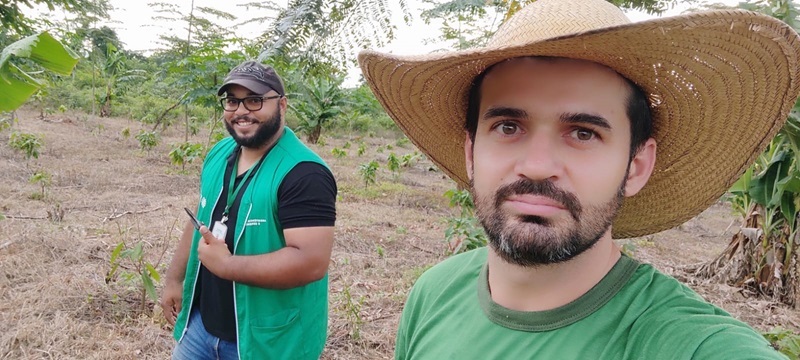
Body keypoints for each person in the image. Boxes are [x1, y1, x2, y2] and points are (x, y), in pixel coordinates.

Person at [358, 0, 800, 358]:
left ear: (636, 167)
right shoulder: (433, 294)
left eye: (583, 133)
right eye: (508, 126)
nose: (536, 165)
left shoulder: (689, 344)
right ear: (472, 153)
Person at [160, 60, 337, 360]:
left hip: (269, 343)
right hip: (200, 330)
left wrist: (226, 266)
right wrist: (174, 279)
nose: (241, 110)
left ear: (281, 105)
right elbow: (200, 219)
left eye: (255, 100)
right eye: (232, 101)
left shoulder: (304, 173)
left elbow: (311, 262)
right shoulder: (219, 153)